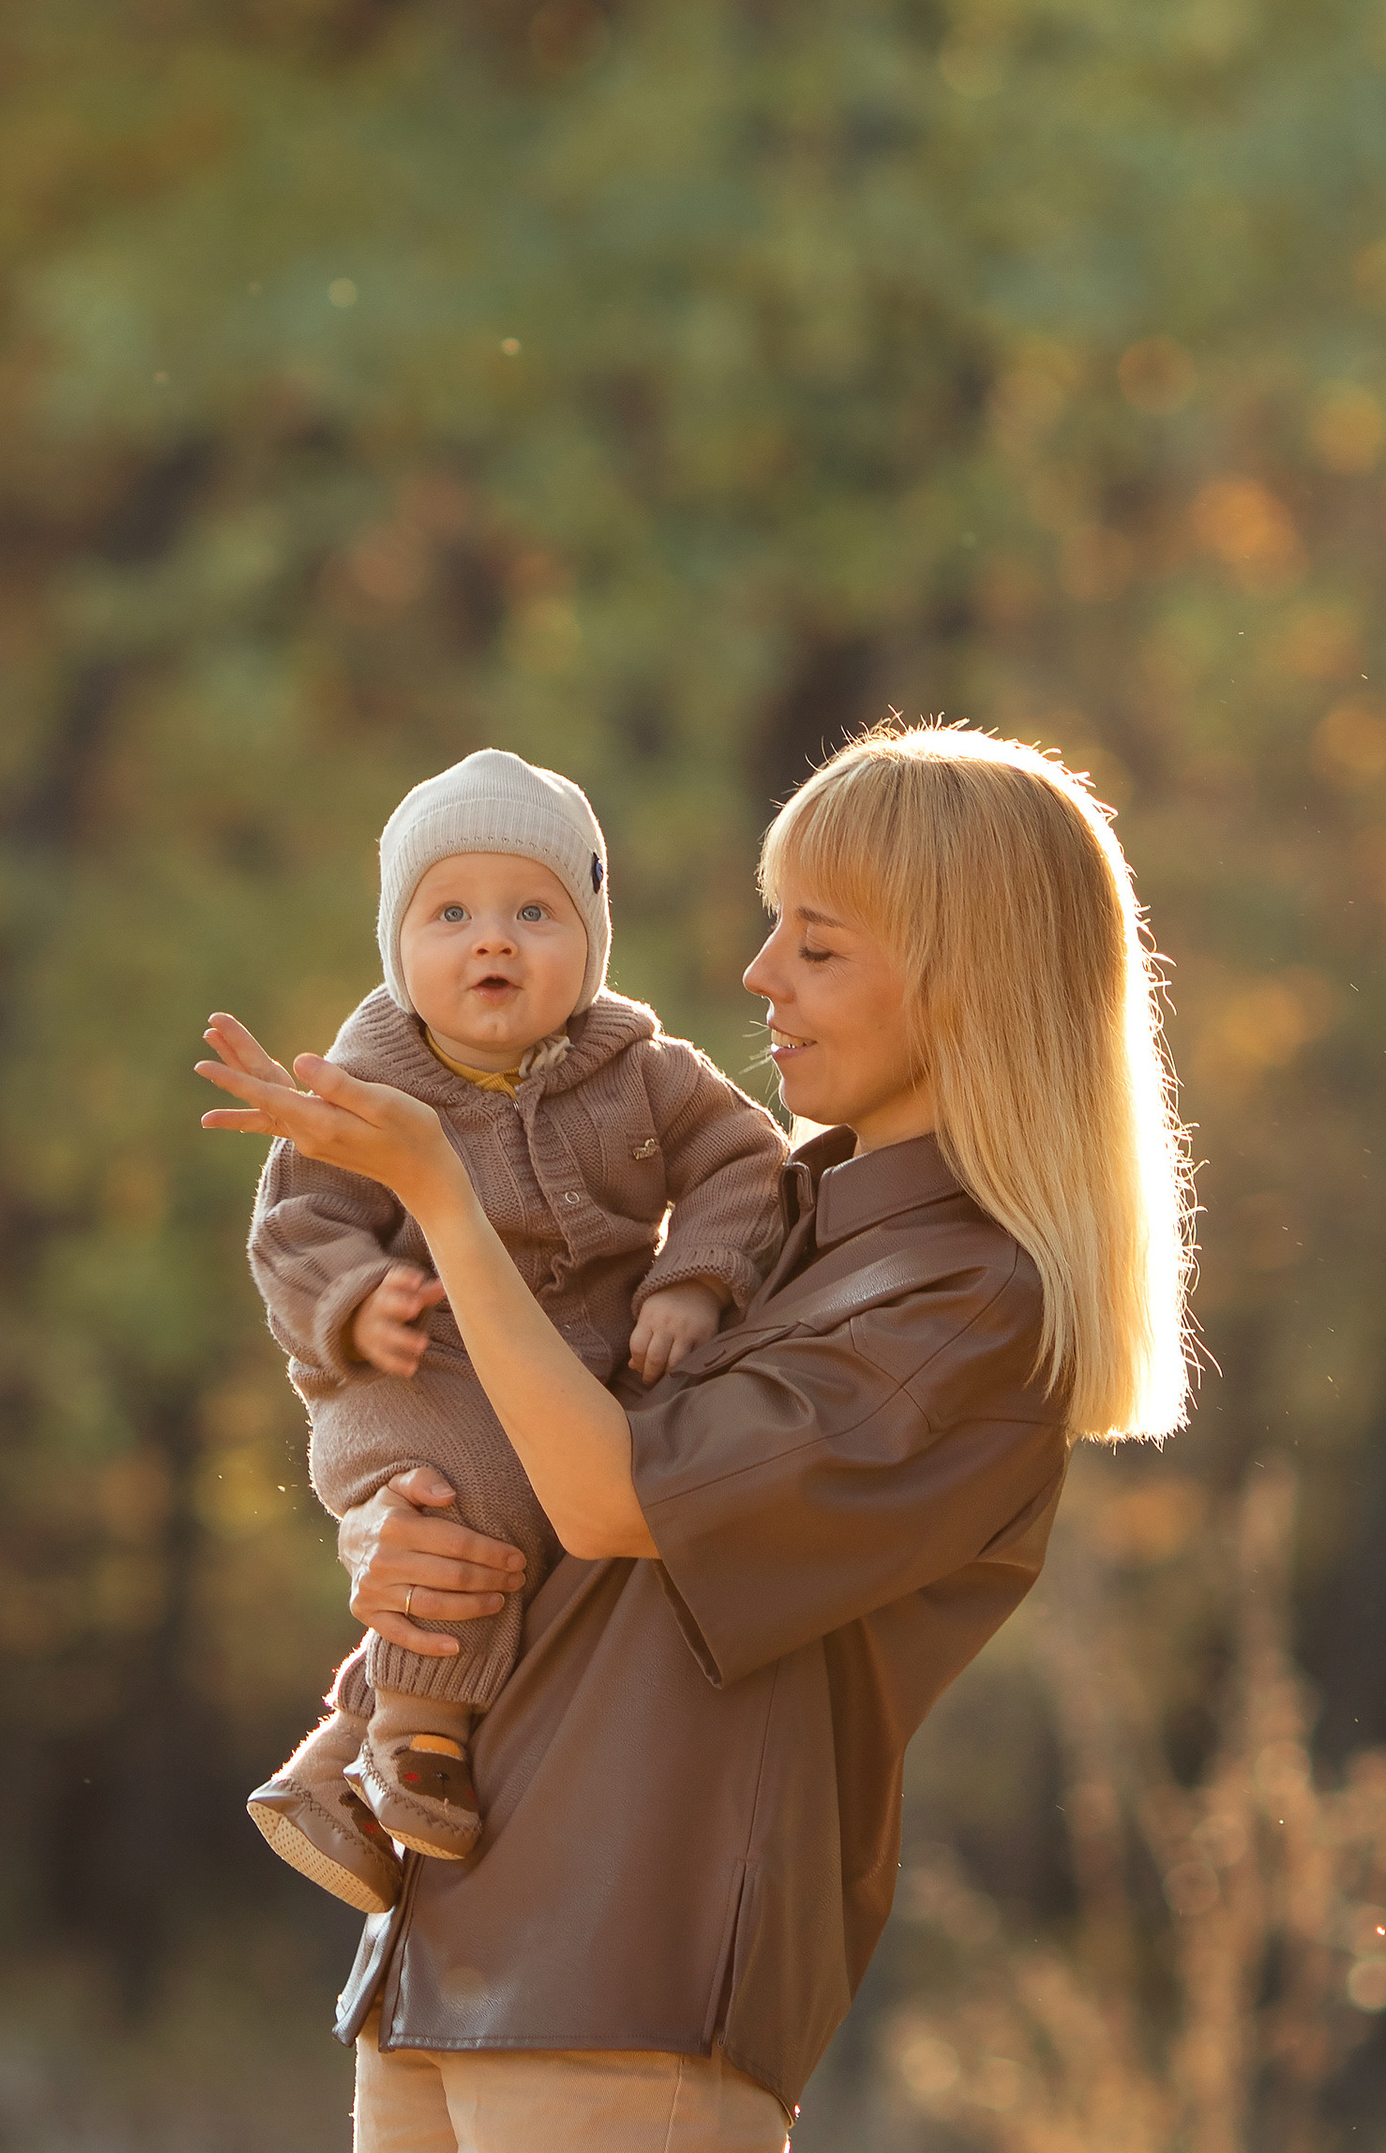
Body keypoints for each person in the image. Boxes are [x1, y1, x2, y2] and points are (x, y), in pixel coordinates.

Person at [200, 720, 1193, 2152]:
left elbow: (615, 1502)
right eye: (771, 927)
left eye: (819, 944)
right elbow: (535, 1469)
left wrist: (440, 1196)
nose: (757, 976)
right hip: (442, 1951)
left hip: (627, 1982)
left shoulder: (969, 1308)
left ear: (965, 978)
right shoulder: (768, 1224)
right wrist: (397, 1530)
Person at [242, 747, 787, 1905]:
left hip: (573, 1372)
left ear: (589, 943)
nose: (492, 939)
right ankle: (417, 1746)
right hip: (415, 1374)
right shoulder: (364, 1084)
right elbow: (295, 1226)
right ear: (397, 950)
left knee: (562, 1510)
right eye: (449, 913)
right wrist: (356, 1301)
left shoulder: (641, 1071)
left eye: (534, 910)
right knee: (466, 1498)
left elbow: (747, 1161)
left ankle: (334, 1770)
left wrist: (693, 1279)